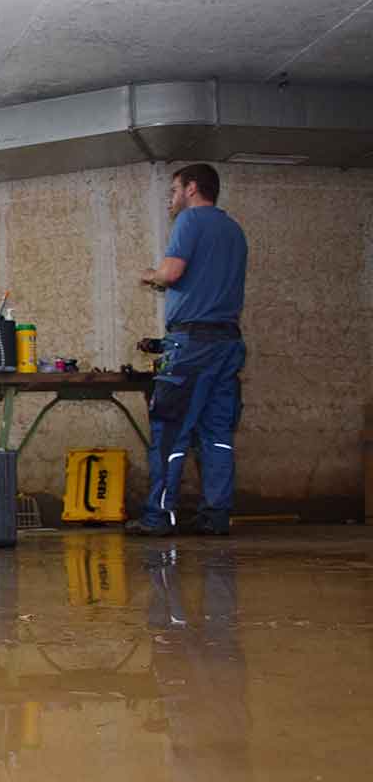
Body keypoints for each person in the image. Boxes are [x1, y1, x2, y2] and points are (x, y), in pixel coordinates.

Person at [129, 164, 248, 536]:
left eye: (174, 190)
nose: (171, 198)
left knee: (170, 428)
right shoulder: (234, 231)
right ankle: (216, 516)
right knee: (216, 432)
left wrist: (151, 275)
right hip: (227, 345)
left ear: (192, 188)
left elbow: (172, 273)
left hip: (192, 345)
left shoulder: (191, 221)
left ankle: (158, 517)